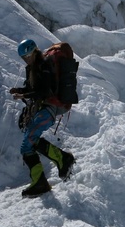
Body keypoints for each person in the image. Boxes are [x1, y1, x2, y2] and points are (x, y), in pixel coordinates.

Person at [9, 39, 76, 197]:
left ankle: (42, 180)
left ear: (34, 52)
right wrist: (19, 90)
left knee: (27, 145)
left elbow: (44, 91)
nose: (26, 59)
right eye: (23, 57)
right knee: (30, 142)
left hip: (47, 109)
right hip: (44, 109)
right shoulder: (35, 67)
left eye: (27, 56)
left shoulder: (44, 66)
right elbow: (34, 89)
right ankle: (61, 160)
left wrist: (23, 95)